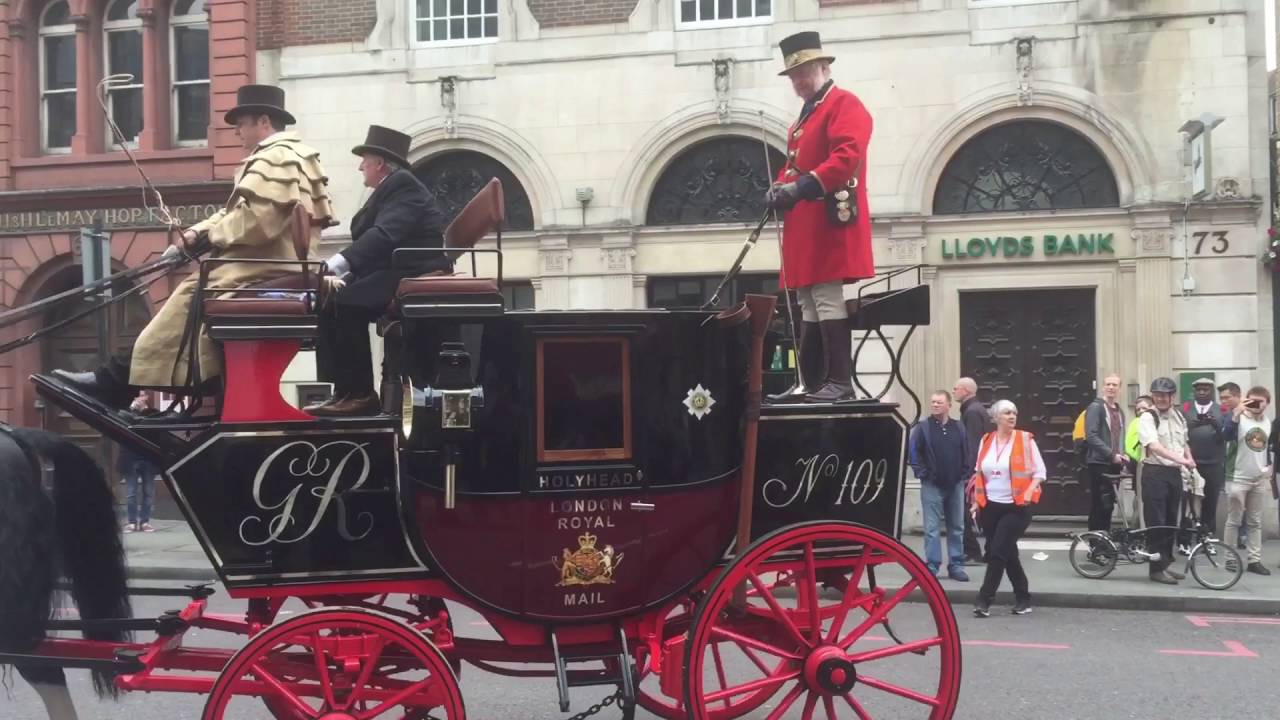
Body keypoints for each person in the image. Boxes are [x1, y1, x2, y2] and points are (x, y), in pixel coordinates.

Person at [52, 85, 337, 409]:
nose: (237, 131)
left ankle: (116, 381)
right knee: (194, 290)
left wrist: (210, 237)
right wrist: (196, 233)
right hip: (265, 264)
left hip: (261, 267)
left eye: (241, 123)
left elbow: (259, 222)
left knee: (190, 294)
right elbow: (237, 214)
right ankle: (175, 384)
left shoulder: (277, 156)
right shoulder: (287, 156)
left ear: (263, 121)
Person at [305, 125, 451, 417]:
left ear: (380, 163)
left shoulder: (402, 185)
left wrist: (338, 263)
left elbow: (384, 235)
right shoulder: (391, 188)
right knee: (330, 298)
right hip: (394, 266)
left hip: (411, 269)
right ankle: (344, 390)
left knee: (345, 303)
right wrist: (345, 276)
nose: (361, 167)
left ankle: (361, 395)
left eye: (365, 160)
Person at [763, 31, 873, 404]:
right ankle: (809, 384)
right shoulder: (804, 117)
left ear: (823, 66)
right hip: (807, 222)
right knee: (808, 299)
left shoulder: (844, 103)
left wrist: (801, 187)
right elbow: (794, 166)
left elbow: (847, 156)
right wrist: (780, 186)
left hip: (828, 218)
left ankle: (840, 382)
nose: (798, 81)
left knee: (826, 295)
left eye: (803, 72)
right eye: (793, 76)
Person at [970, 399, 1044, 617]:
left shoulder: (1025, 439)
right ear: (995, 418)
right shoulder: (986, 440)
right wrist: (975, 501)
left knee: (997, 552)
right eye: (1006, 413)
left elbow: (1040, 472)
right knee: (1008, 553)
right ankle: (1023, 598)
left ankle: (984, 600)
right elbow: (979, 473)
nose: (1012, 416)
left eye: (1014, 412)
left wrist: (1030, 490)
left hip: (1017, 506)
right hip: (990, 507)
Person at [1138, 376, 1194, 585]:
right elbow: (1154, 447)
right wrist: (1181, 460)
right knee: (1157, 522)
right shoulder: (1147, 417)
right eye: (1157, 395)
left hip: (1174, 473)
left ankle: (1166, 563)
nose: (1161, 398)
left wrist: (1190, 460)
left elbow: (1184, 442)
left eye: (1165, 395)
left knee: (1171, 521)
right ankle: (1155, 569)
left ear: (1172, 396)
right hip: (1155, 473)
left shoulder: (1178, 415)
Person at [908, 391, 970, 581]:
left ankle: (956, 565)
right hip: (932, 485)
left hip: (955, 484)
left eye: (939, 402)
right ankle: (932, 566)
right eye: (933, 402)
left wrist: (964, 473)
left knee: (957, 526)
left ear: (949, 405)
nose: (935, 405)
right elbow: (913, 452)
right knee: (932, 528)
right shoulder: (923, 427)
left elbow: (966, 451)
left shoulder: (958, 427)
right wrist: (922, 473)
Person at [1221, 386, 1273, 575]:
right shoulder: (1238, 418)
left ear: (1267, 403)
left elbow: (1265, 447)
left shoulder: (1267, 422)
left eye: (1261, 402)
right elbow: (1226, 435)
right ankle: (1230, 559)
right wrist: (1236, 413)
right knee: (1234, 520)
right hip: (1237, 477)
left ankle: (1254, 560)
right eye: (1252, 401)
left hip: (1258, 478)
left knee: (1255, 521)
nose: (1256, 405)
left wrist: (1267, 467)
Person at [1182, 378, 1227, 543]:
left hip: (1213, 463)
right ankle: (1185, 539)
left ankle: (1207, 537)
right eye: (1198, 389)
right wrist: (1193, 425)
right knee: (1188, 503)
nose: (1201, 392)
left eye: (1205, 389)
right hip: (1191, 462)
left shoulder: (1221, 410)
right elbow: (1180, 434)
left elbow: (1226, 436)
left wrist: (1215, 424)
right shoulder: (1185, 409)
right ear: (1194, 391)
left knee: (1210, 501)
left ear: (1211, 391)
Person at [1083, 374, 1127, 533]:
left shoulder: (1120, 411)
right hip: (1099, 463)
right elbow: (1091, 436)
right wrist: (1111, 455)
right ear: (1102, 387)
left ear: (1119, 389)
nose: (1111, 387)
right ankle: (1095, 541)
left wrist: (1123, 454)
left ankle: (1105, 538)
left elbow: (1119, 436)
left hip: (1114, 464)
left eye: (1114, 385)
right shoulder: (1096, 407)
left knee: (1109, 504)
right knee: (1100, 503)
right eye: (1108, 384)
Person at [954, 377, 990, 563]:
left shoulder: (972, 412)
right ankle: (988, 550)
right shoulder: (973, 409)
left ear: (966, 391)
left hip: (972, 471)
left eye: (956, 388)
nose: (954, 391)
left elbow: (972, 444)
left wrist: (969, 472)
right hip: (977, 469)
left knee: (965, 512)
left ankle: (972, 551)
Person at [120, 393, 159, 532]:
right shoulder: (125, 412)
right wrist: (131, 409)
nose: (139, 399)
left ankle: (145, 522)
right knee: (131, 492)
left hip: (148, 458)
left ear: (147, 398)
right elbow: (120, 423)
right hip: (130, 458)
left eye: (142, 396)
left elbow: (155, 430)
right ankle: (131, 522)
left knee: (148, 493)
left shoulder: (153, 413)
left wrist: (145, 410)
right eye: (137, 396)